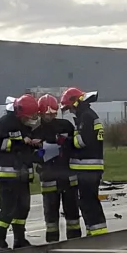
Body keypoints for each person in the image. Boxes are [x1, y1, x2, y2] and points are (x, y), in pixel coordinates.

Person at [0, 94, 40, 252]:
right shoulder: (3, 124)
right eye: (29, 116)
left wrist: (34, 144)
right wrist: (20, 141)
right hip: (9, 174)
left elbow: (26, 148)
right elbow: (1, 144)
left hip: (23, 174)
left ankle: (19, 239)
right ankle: (0, 242)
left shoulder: (23, 125)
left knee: (23, 208)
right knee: (8, 209)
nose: (30, 119)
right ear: (20, 112)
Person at [33, 94, 81, 241]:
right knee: (51, 213)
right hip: (48, 177)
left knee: (72, 212)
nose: (50, 117)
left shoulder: (65, 125)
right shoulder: (35, 131)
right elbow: (32, 155)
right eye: (47, 114)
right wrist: (41, 150)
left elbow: (76, 146)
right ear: (40, 113)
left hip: (68, 175)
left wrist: (64, 143)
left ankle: (75, 241)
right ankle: (52, 243)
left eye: (53, 114)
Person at [61, 86, 107, 236]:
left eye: (69, 108)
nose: (70, 111)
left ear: (75, 103)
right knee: (89, 201)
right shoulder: (89, 114)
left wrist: (65, 140)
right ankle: (94, 232)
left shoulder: (86, 117)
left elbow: (80, 142)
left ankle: (97, 234)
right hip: (91, 167)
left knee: (88, 202)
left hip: (88, 168)